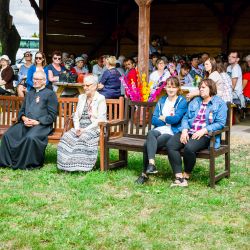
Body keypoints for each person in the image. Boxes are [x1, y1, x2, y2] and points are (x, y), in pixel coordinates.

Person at [166, 79, 227, 187]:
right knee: (171, 145)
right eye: (200, 87)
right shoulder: (195, 101)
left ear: (211, 88)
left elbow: (220, 123)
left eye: (203, 87)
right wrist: (184, 130)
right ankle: (179, 176)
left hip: (205, 135)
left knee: (189, 147)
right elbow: (186, 117)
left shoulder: (219, 103)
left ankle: (187, 174)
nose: (201, 89)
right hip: (189, 131)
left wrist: (204, 130)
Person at [0, 71, 58, 170]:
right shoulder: (29, 93)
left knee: (30, 138)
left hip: (41, 125)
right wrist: (23, 118)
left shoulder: (50, 94)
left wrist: (37, 121)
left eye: (37, 79)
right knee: (7, 135)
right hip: (25, 123)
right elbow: (21, 110)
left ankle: (25, 164)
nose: (34, 81)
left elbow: (52, 115)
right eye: (34, 79)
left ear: (44, 81)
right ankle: (7, 162)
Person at [136, 77, 188, 184]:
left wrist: (164, 118)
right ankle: (151, 164)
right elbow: (154, 119)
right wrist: (167, 120)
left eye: (174, 87)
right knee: (151, 133)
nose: (171, 89)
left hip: (172, 132)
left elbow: (176, 119)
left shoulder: (181, 101)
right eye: (169, 86)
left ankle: (145, 174)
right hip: (160, 129)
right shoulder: (162, 100)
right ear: (165, 87)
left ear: (178, 88)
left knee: (147, 144)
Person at [57, 74, 107, 172]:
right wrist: (77, 128)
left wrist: (84, 130)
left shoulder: (100, 98)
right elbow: (76, 116)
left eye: (87, 85)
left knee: (82, 139)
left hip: (94, 129)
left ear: (95, 86)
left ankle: (82, 167)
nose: (85, 88)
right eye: (84, 85)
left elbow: (100, 119)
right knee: (66, 137)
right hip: (80, 128)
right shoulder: (82, 97)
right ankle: (66, 165)